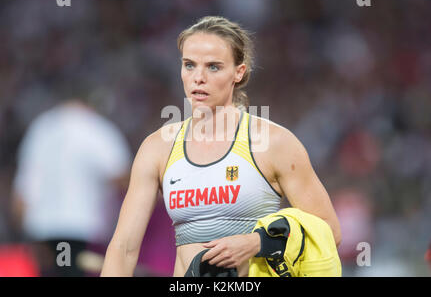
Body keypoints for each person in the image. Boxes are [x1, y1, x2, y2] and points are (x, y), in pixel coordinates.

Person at [100, 16, 341, 277]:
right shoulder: (158, 147)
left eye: (213, 67)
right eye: (189, 65)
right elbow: (124, 248)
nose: (198, 78)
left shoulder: (274, 143)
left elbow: (329, 230)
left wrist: (258, 242)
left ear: (239, 72)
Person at [12, 99, 132, 276]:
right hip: (83, 228)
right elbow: (122, 176)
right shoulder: (95, 128)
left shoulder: (41, 128)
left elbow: (23, 192)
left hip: (43, 229)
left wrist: (23, 232)